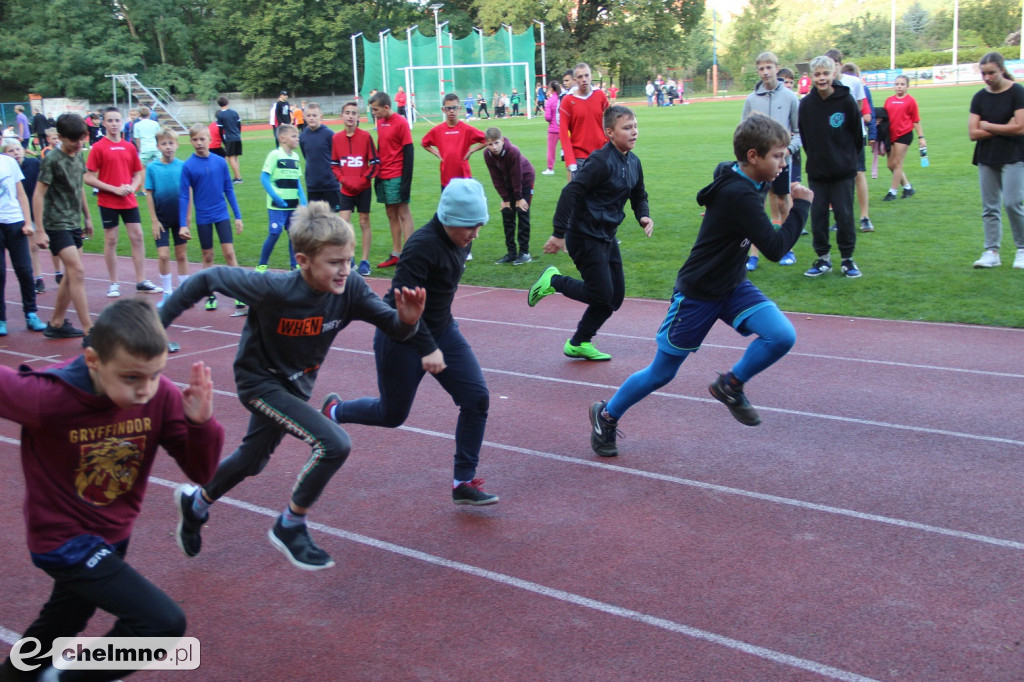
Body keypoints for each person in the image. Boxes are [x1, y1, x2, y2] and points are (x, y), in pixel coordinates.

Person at [165, 201, 426, 570]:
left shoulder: (351, 288)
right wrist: (157, 324)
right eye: (334, 262)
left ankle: (195, 505)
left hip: (296, 385)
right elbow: (207, 279)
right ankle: (290, 524)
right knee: (334, 443)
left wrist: (408, 321)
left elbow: (395, 328)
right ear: (303, 261)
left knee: (252, 460)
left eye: (349, 259)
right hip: (259, 381)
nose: (345, 269)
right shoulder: (275, 288)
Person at [0, 299, 223, 681]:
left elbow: (200, 471)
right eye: (131, 378)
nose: (144, 390)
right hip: (63, 541)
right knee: (161, 624)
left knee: (63, 621)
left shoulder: (160, 395)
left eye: (154, 374)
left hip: (112, 534)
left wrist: (201, 425)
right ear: (93, 361)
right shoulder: (47, 396)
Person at [588, 115, 812, 456]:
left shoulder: (745, 175)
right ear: (753, 156)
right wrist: (802, 206)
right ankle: (606, 415)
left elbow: (723, 169)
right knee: (661, 373)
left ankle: (730, 385)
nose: (783, 164)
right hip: (698, 293)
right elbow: (775, 248)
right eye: (778, 156)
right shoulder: (740, 194)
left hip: (733, 286)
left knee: (781, 335)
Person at [324, 179, 499, 507]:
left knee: (476, 399)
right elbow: (402, 308)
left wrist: (438, 339)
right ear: (448, 218)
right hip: (401, 336)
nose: (475, 234)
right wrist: (427, 348)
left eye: (479, 225)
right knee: (391, 414)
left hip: (442, 330)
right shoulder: (421, 246)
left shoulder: (461, 238)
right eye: (469, 227)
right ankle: (334, 410)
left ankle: (463, 482)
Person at [529, 105, 653, 361]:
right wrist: (558, 233)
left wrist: (643, 215)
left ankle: (579, 343)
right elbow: (570, 192)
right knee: (601, 294)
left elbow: (639, 194)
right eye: (627, 128)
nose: (634, 132)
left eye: (635, 126)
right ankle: (553, 281)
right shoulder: (600, 161)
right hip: (584, 235)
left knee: (614, 298)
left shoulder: (633, 162)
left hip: (606, 236)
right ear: (610, 132)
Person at [84, 107, 163, 299]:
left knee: (138, 237)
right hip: (108, 201)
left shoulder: (129, 147)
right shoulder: (98, 147)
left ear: (122, 122)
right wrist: (113, 189)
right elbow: (88, 177)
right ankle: (114, 283)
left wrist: (132, 187)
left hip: (128, 200)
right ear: (104, 123)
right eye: (110, 120)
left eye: (117, 120)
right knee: (111, 239)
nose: (114, 124)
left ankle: (141, 280)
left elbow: (137, 174)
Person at [798, 55, 864, 278]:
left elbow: (857, 135)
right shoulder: (806, 105)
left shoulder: (846, 101)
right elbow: (805, 137)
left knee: (844, 216)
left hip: (843, 171)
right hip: (817, 172)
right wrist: (818, 158)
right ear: (812, 76)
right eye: (817, 74)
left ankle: (847, 259)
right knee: (818, 216)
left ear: (834, 74)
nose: (822, 78)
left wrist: (845, 159)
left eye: (826, 73)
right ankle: (823, 258)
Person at [33, 113, 95, 343]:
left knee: (71, 274)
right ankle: (89, 330)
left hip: (73, 221)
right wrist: (40, 229)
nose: (79, 144)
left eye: (81, 139)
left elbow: (79, 187)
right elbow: (38, 194)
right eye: (73, 140)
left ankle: (57, 323)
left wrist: (87, 217)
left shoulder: (79, 155)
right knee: (77, 271)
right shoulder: (52, 160)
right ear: (60, 137)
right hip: (56, 223)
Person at [741, 51, 801, 271]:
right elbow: (743, 132)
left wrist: (787, 151)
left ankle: (788, 249)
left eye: (769, 67)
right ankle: (752, 255)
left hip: (781, 163)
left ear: (777, 68)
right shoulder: (751, 99)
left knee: (783, 203)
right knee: (754, 207)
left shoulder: (790, 97)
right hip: (756, 165)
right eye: (761, 68)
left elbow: (799, 132)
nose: (765, 72)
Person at [179, 122, 245, 311]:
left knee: (229, 253)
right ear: (190, 141)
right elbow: (184, 195)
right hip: (203, 217)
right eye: (195, 140)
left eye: (202, 139)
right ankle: (210, 294)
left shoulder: (220, 162)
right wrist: (183, 223)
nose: (199, 143)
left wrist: (237, 216)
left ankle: (239, 292)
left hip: (221, 214)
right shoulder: (188, 166)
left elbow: (228, 189)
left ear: (209, 139)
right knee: (207, 256)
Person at [969, 51, 1024, 269]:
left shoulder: (1017, 92)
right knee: (989, 207)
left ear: (1002, 69)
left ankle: (1022, 249)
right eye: (983, 73)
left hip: (1014, 155)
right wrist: (1005, 127)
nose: (987, 77)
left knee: (1012, 203)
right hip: (987, 156)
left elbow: (1020, 128)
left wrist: (988, 125)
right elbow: (973, 133)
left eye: (991, 72)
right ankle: (991, 252)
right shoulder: (979, 97)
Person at [0, 142, 47, 336]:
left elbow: (21, 194)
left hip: (15, 221)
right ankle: (1, 319)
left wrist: (28, 222)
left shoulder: (9, 162)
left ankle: (31, 314)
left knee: (25, 270)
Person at [826, 49, 873, 233]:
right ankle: (842, 217)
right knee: (838, 177)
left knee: (858, 173)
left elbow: (860, 107)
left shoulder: (853, 82)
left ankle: (864, 217)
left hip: (854, 135)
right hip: (834, 138)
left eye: (834, 65)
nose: (832, 69)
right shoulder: (825, 85)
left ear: (840, 64)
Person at [144, 127, 190, 314]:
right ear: (158, 146)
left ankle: (185, 293)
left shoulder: (183, 166)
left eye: (171, 143)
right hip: (161, 218)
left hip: (179, 218)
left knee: (181, 255)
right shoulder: (152, 168)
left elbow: (188, 192)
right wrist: (154, 220)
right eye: (164, 144)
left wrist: (187, 218)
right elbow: (149, 193)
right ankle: (168, 293)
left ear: (177, 145)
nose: (168, 147)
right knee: (163, 255)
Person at [332, 100, 379, 277]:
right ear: (342, 116)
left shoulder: (366, 137)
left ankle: (365, 261)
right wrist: (343, 179)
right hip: (345, 189)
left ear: (358, 117)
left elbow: (375, 163)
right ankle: (348, 258)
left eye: (354, 113)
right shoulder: (336, 138)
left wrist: (363, 179)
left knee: (364, 222)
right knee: (344, 224)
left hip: (363, 188)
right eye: (347, 113)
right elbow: (334, 164)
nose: (350, 116)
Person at [370, 92, 414, 269]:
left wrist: (406, 183)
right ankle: (396, 253)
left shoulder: (401, 122)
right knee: (390, 214)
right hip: (383, 175)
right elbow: (381, 148)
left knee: (403, 213)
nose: (373, 113)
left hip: (397, 175)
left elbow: (409, 152)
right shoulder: (380, 122)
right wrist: (377, 173)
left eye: (376, 110)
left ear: (386, 107)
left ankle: (409, 256)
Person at [257, 124, 305, 272]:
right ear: (282, 138)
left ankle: (294, 264)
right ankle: (262, 265)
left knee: (293, 235)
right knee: (274, 233)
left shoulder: (296, 157)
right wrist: (276, 197)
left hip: (292, 205)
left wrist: (303, 198)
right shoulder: (274, 155)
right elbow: (264, 178)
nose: (297, 139)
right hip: (277, 206)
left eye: (297, 136)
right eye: (294, 136)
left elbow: (297, 180)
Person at [484, 127, 534, 265]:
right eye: (490, 144)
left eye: (496, 143)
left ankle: (524, 253)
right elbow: (495, 177)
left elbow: (517, 175)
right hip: (509, 183)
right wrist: (505, 199)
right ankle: (511, 253)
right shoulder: (487, 154)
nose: (494, 147)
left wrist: (519, 198)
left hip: (525, 180)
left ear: (502, 140)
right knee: (507, 212)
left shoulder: (513, 151)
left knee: (522, 211)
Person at [420, 94, 487, 191]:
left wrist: (472, 150)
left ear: (459, 108)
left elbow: (487, 139)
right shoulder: (437, 130)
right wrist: (436, 153)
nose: (451, 111)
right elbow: (424, 143)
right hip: (446, 179)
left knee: (466, 201)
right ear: (443, 110)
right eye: (448, 108)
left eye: (454, 108)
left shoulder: (466, 129)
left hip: (464, 177)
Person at [559, 62, 610, 180]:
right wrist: (570, 161)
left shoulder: (600, 95)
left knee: (605, 191)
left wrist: (610, 148)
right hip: (580, 158)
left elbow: (610, 122)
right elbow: (563, 132)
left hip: (602, 155)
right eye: (580, 77)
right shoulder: (567, 100)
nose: (584, 79)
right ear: (575, 80)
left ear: (591, 76)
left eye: (586, 75)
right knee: (581, 192)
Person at [883, 75, 925, 202]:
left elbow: (916, 120)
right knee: (890, 165)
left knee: (897, 163)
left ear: (907, 86)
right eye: (897, 84)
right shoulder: (889, 100)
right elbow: (885, 118)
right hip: (890, 135)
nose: (899, 87)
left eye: (902, 84)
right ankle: (907, 188)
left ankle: (892, 192)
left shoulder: (910, 101)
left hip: (904, 134)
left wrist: (921, 137)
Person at [299, 102, 342, 216]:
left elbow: (337, 156)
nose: (311, 118)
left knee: (332, 217)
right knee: (316, 219)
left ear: (321, 116)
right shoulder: (303, 136)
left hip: (330, 184)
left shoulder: (329, 134)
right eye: (308, 115)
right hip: (312, 185)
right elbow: (306, 156)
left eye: (314, 115)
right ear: (304, 117)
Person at [216, 95, 244, 183]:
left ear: (219, 104)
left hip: (229, 138)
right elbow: (239, 125)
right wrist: (238, 133)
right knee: (236, 157)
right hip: (237, 137)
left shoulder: (220, 115)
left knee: (231, 158)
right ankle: (237, 176)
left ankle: (238, 178)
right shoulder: (234, 112)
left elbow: (220, 130)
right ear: (227, 102)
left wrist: (223, 141)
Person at [132, 106, 161, 170]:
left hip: (144, 149)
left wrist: (139, 149)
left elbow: (137, 139)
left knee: (141, 167)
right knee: (159, 166)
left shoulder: (137, 125)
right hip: (155, 148)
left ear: (139, 114)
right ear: (149, 113)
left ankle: (144, 176)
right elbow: (159, 136)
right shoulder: (155, 123)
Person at [543, 80, 561, 176]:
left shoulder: (550, 101)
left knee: (551, 150)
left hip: (553, 129)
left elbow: (548, 117)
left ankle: (550, 168)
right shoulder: (562, 99)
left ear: (551, 89)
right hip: (563, 128)